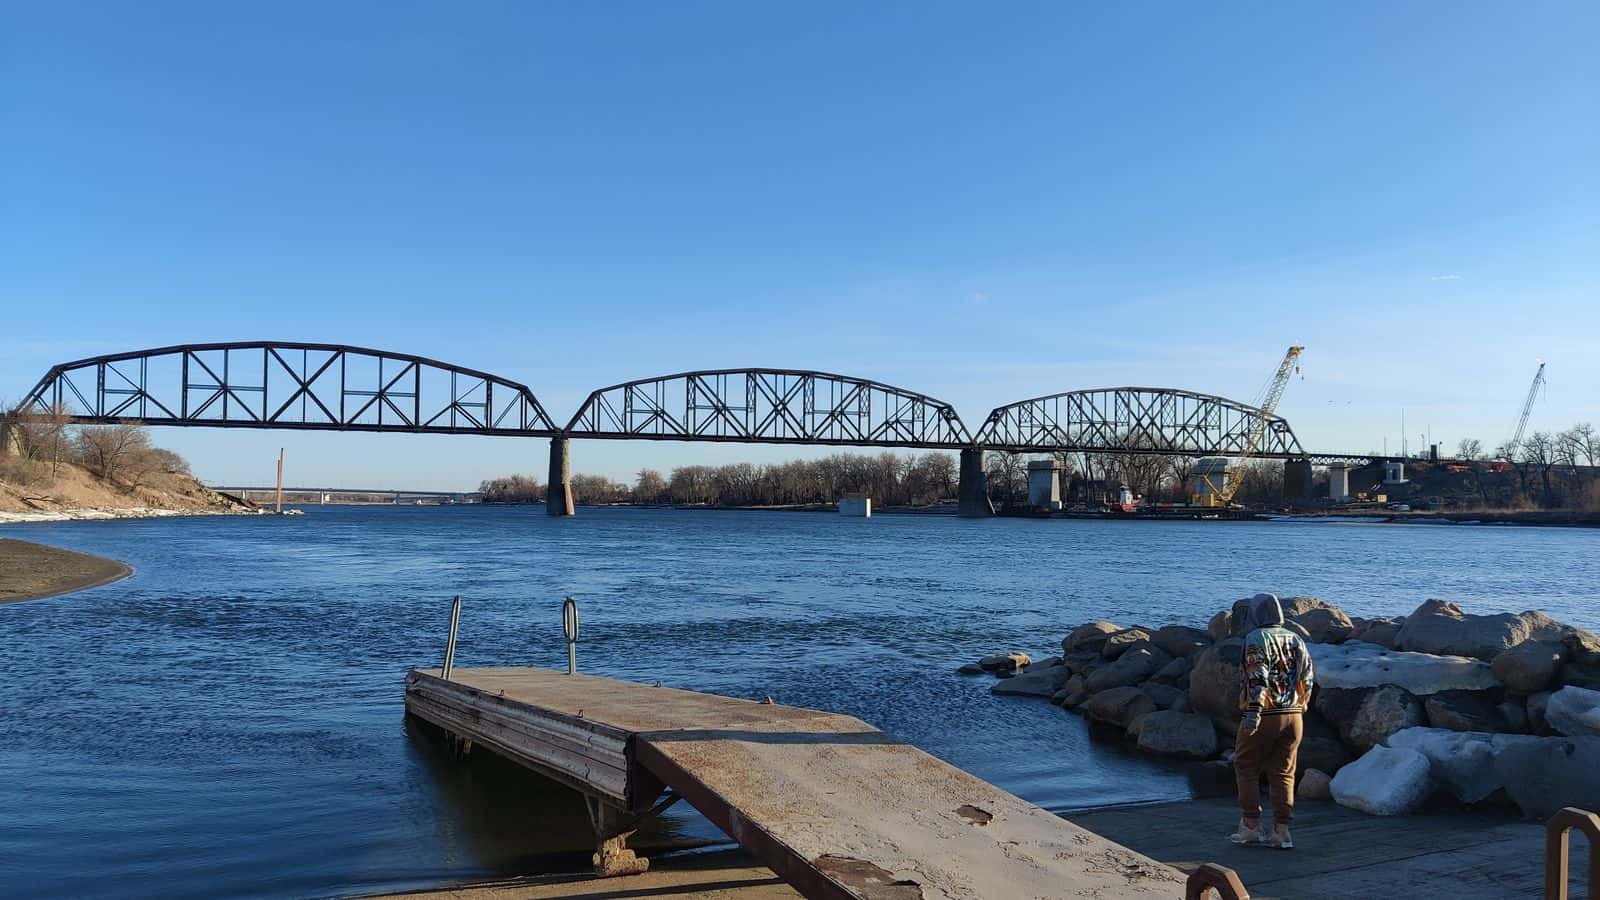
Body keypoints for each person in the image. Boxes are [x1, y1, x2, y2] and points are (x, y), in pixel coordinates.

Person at [1230, 592, 1314, 850]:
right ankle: (1282, 831)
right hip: (1293, 714)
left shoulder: (1255, 639)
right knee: (1284, 773)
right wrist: (1302, 703)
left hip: (1264, 713)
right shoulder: (1295, 638)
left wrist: (1253, 710)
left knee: (1246, 766)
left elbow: (1257, 675)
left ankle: (1251, 827)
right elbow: (1308, 675)